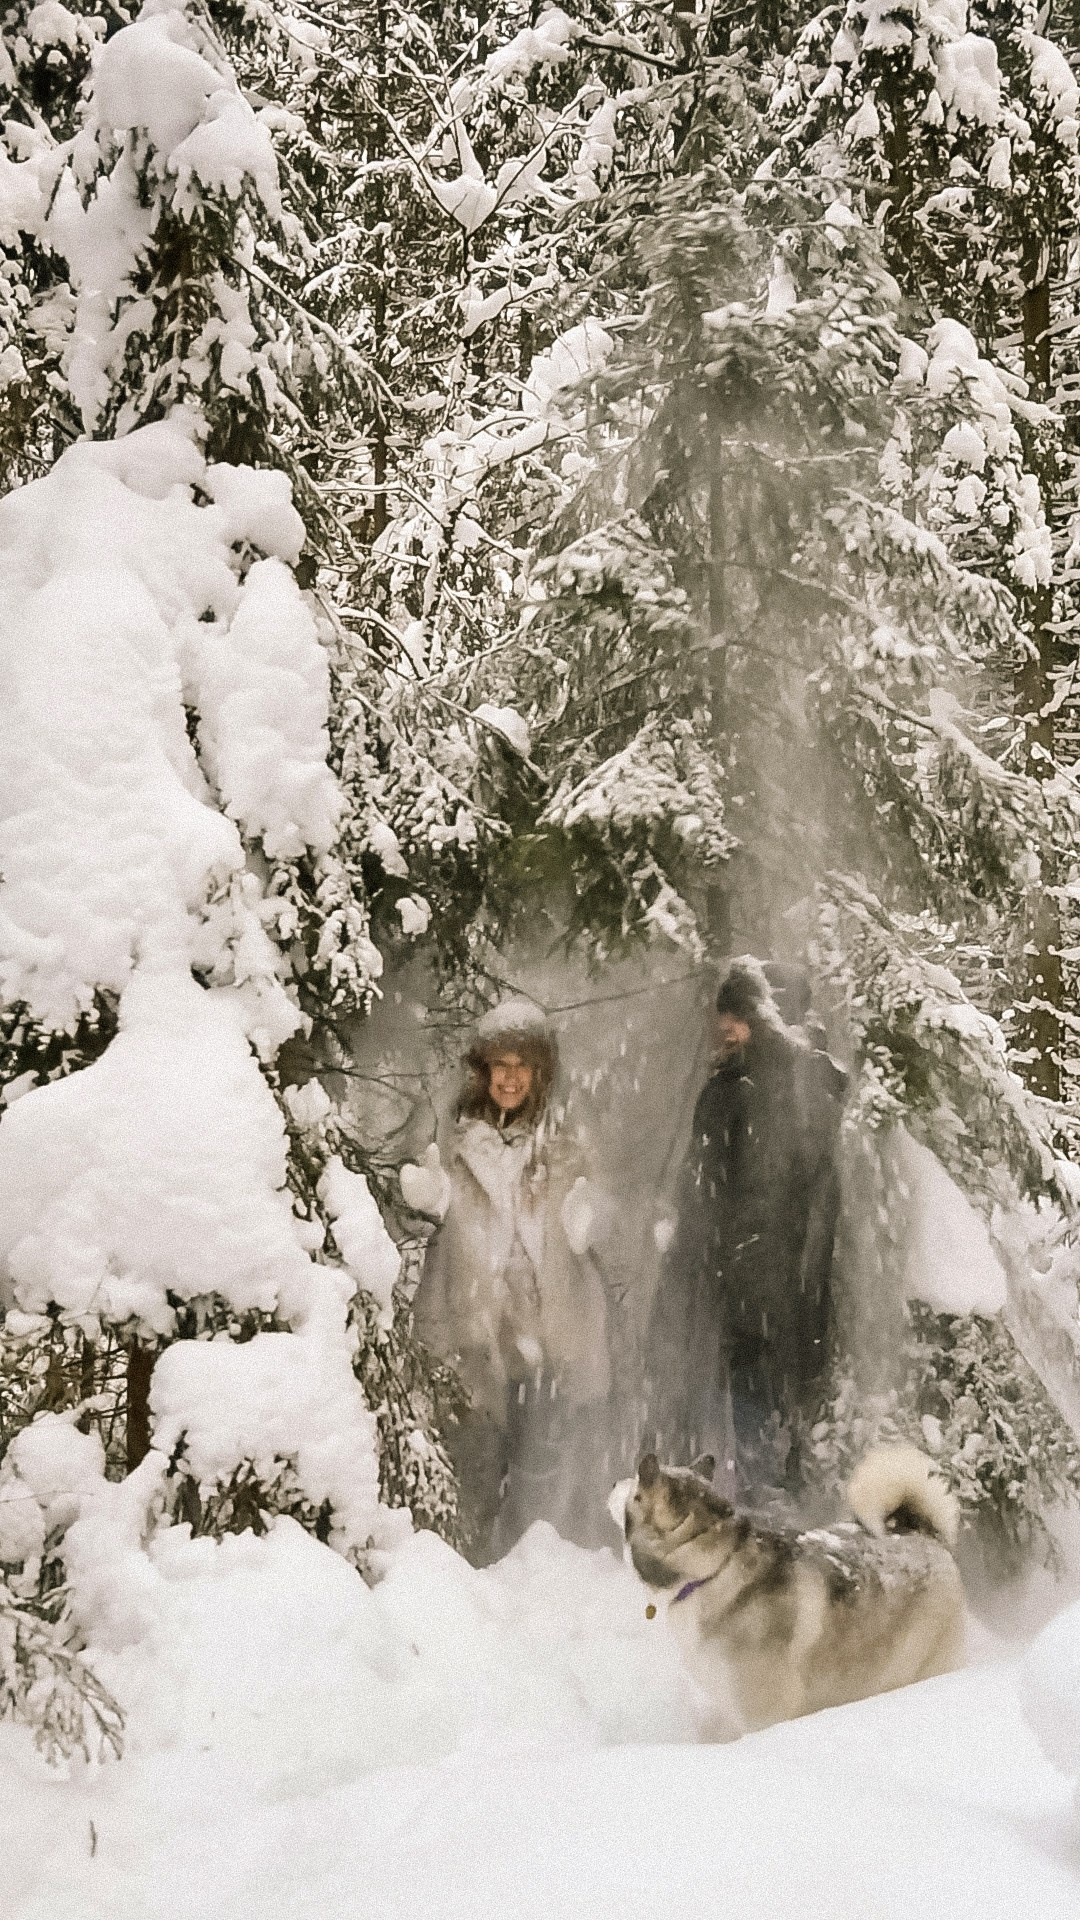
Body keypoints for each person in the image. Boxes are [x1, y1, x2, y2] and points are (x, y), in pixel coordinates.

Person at [410, 997, 611, 1564]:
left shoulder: (565, 1141)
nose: (511, 1078)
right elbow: (420, 1206)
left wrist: (588, 1218)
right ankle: (468, 1581)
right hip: (477, 1332)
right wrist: (423, 1200)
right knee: (474, 1461)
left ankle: (533, 1588)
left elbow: (606, 1209)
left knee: (542, 1471)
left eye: (523, 1066)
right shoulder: (451, 1142)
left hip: (549, 1332)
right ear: (483, 1071)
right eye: (501, 1065)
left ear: (540, 1073)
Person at [647, 957, 845, 1496]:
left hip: (756, 1286)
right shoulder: (807, 1083)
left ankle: (766, 1518)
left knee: (757, 1410)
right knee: (773, 1414)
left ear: (770, 1017)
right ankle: (772, 1506)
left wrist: (706, 1260)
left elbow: (720, 1192)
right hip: (773, 1285)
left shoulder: (763, 1087)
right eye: (725, 1016)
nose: (726, 1028)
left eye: (740, 1016)